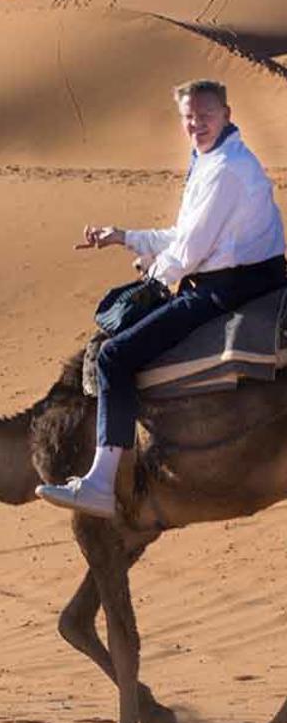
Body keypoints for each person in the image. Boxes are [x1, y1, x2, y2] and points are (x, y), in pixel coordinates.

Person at [37, 79, 286, 518]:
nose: (196, 125)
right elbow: (185, 236)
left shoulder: (226, 168)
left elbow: (189, 251)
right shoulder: (210, 160)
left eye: (205, 116)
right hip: (233, 276)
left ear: (226, 113)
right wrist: (125, 238)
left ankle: (100, 483)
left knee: (114, 356)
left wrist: (155, 278)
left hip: (233, 285)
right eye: (189, 117)